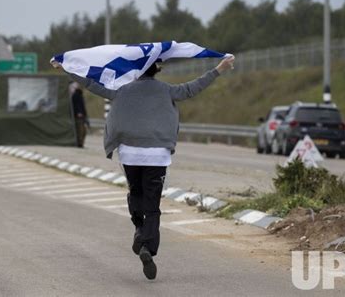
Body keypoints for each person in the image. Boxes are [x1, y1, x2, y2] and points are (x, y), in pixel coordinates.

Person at [52, 56, 235, 280]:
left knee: (135, 193)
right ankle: (147, 246)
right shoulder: (167, 90)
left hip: (130, 153)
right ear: (156, 70)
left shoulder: (122, 90)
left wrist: (66, 69)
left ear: (137, 71)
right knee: (153, 204)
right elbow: (193, 88)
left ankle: (139, 229)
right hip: (157, 156)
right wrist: (219, 68)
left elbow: (91, 84)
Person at [69, 81, 89, 148]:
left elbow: (82, 106)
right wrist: (78, 112)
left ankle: (81, 143)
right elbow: (75, 106)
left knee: (83, 131)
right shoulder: (76, 95)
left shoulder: (80, 94)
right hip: (78, 116)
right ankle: (79, 143)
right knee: (80, 130)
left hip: (82, 115)